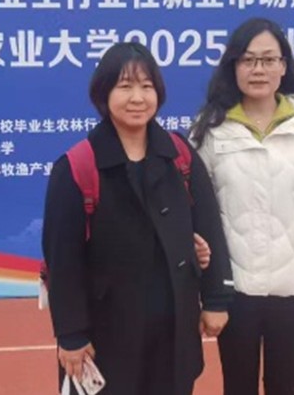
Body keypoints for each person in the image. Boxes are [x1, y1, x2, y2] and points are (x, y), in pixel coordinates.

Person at [42, 41, 235, 395]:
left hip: (173, 332)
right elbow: (62, 261)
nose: (137, 98)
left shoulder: (179, 155)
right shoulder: (77, 167)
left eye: (147, 86)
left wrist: (216, 299)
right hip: (107, 334)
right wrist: (71, 335)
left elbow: (209, 226)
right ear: (104, 93)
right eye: (125, 86)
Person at [190, 17, 294, 395]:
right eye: (248, 60)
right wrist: (205, 289)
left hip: (293, 288)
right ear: (233, 67)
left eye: (268, 59)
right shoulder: (210, 128)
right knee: (238, 387)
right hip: (235, 289)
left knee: (285, 387)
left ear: (283, 66)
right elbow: (196, 212)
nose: (258, 69)